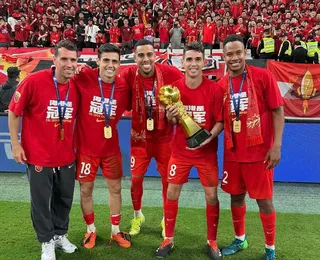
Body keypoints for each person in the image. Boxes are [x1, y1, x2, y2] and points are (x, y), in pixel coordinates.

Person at [8, 40, 79, 260]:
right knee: (41, 202)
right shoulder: (33, 81)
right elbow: (13, 111)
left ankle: (59, 235)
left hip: (66, 155)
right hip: (38, 155)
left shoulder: (77, 85)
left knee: (64, 199)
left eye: (73, 60)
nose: (69, 64)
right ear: (55, 60)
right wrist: (16, 143)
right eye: (64, 59)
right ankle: (46, 241)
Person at [155, 42, 224, 260]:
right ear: (182, 63)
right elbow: (171, 120)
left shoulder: (214, 89)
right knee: (172, 192)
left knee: (212, 196)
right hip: (180, 151)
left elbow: (220, 122)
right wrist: (170, 115)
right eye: (189, 60)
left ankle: (212, 241)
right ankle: (169, 238)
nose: (193, 64)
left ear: (204, 62)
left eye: (197, 59)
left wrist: (207, 138)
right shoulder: (173, 89)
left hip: (206, 153)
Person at [219, 34, 284, 260]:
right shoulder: (221, 84)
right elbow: (218, 120)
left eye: (238, 52)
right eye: (229, 54)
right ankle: (240, 239)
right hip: (232, 153)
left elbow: (278, 111)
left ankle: (270, 248)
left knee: (264, 201)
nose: (234, 57)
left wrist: (276, 145)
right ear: (224, 56)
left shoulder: (263, 76)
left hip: (259, 153)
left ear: (245, 53)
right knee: (235, 197)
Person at [120, 39, 183, 237]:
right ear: (135, 57)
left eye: (149, 55)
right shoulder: (128, 74)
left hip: (165, 138)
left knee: (167, 182)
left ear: (155, 56)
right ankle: (138, 215)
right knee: (135, 181)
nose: (145, 59)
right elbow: (107, 80)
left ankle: (166, 219)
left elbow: (188, 85)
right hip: (139, 139)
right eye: (141, 55)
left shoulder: (170, 73)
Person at [74, 43, 131, 249]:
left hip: (111, 151)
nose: (110, 65)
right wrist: (78, 67)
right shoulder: (85, 77)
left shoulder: (124, 87)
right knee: (85, 190)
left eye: (114, 61)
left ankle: (116, 230)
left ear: (119, 64)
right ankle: (90, 229)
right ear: (98, 61)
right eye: (106, 60)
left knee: (115, 189)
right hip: (86, 150)